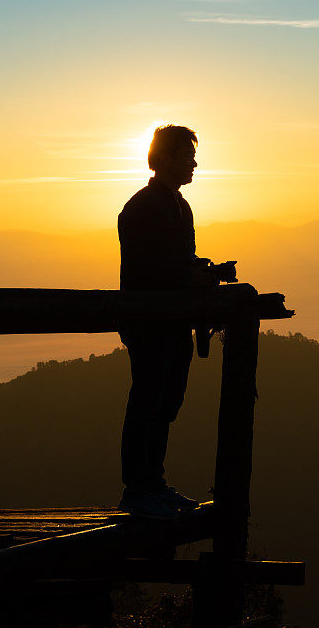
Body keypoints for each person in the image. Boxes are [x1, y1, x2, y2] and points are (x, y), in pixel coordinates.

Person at [117, 124, 207, 519]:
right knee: (148, 401)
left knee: (166, 402)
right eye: (187, 156)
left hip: (174, 323)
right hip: (150, 323)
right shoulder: (142, 207)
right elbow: (152, 269)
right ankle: (138, 489)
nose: (194, 164)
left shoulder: (177, 205)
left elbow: (177, 262)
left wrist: (203, 270)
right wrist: (193, 277)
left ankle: (154, 483)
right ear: (166, 158)